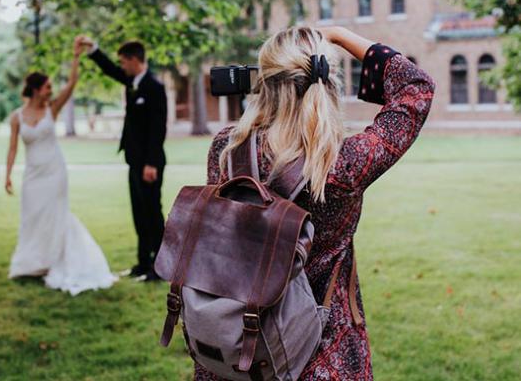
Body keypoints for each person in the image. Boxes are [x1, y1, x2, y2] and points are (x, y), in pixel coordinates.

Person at [194, 26, 435, 380]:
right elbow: (416, 88)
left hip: (238, 345)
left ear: (263, 83)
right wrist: (340, 35)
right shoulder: (343, 165)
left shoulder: (226, 151)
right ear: (327, 84)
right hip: (324, 350)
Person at [5, 38, 117, 295]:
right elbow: (12, 148)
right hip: (33, 174)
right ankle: (32, 262)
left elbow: (72, 84)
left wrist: (76, 56)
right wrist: (8, 175)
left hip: (55, 171)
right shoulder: (16, 117)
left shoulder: (52, 110)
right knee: (32, 216)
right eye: (46, 87)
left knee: (55, 215)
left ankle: (54, 260)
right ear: (34, 90)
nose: (50, 91)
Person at [76, 36, 167, 282]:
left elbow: (158, 129)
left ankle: (159, 267)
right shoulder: (132, 81)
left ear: (135, 60)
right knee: (138, 212)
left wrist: (150, 163)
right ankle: (142, 263)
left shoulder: (154, 87)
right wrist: (93, 50)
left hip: (150, 163)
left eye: (124, 61)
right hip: (133, 160)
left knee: (152, 213)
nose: (122, 66)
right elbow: (110, 70)